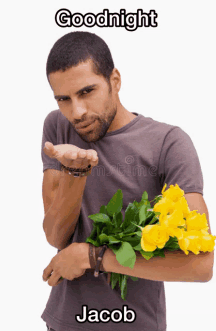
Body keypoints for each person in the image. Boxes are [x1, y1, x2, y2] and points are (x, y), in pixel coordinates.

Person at [41, 31, 213, 331]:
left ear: (115, 81)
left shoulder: (168, 143)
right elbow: (56, 236)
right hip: (65, 322)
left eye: (87, 92)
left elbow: (200, 265)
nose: (77, 112)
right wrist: (75, 172)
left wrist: (93, 257)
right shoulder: (58, 126)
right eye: (63, 99)